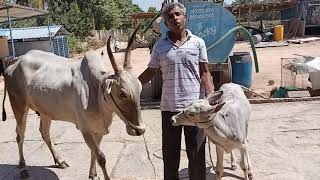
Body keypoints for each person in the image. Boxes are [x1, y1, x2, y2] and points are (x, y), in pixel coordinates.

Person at [138, 2, 214, 180]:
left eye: (178, 14)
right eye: (170, 17)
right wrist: (132, 84)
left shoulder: (198, 43)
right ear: (165, 23)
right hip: (169, 109)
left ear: (185, 18)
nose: (174, 18)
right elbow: (151, 71)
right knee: (170, 156)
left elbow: (205, 72)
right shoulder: (159, 46)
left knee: (196, 156)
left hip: (195, 109)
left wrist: (210, 98)